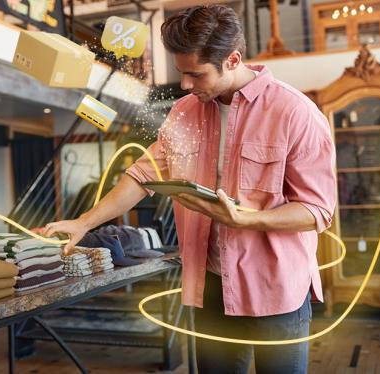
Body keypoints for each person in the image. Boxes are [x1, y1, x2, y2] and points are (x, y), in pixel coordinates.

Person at [42, 5, 336, 374]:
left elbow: (318, 211)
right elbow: (142, 175)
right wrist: (84, 222)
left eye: (195, 74)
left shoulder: (296, 114)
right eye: (182, 73)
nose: (184, 85)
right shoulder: (184, 111)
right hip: (211, 286)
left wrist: (247, 220)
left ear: (232, 59)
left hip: (276, 292)